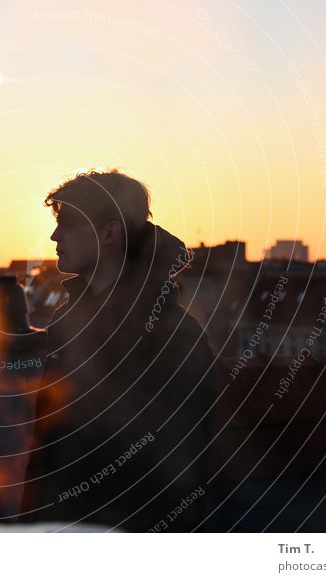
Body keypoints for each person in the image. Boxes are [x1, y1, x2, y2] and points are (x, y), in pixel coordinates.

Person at [20, 169, 217, 531]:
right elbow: (52, 432)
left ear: (110, 232)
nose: (54, 235)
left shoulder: (171, 332)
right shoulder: (68, 318)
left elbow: (180, 464)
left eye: (67, 223)